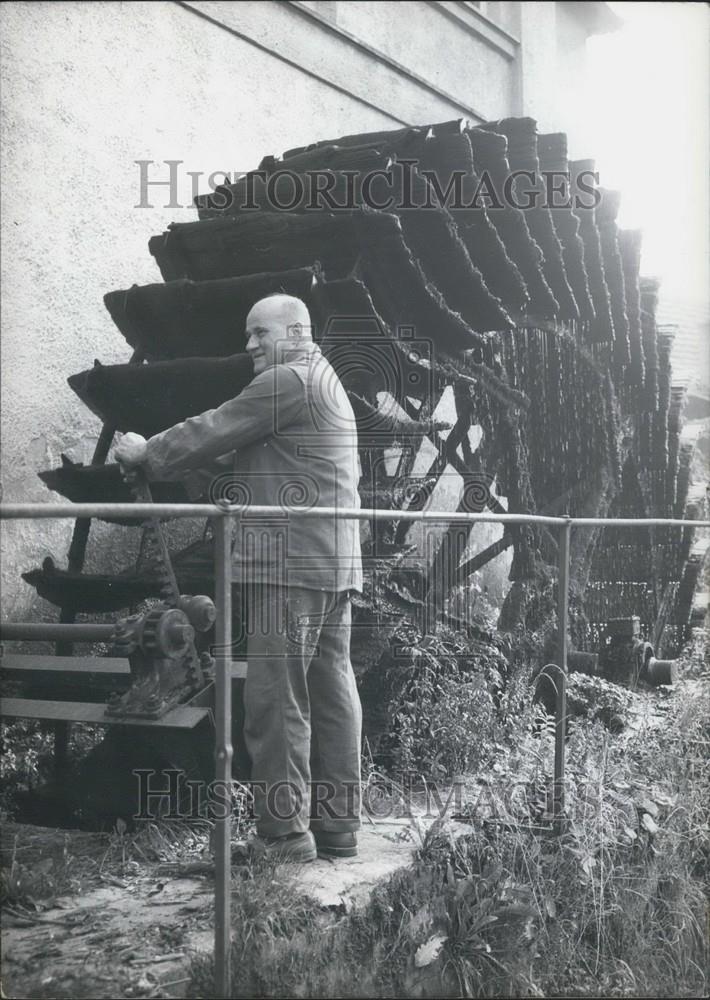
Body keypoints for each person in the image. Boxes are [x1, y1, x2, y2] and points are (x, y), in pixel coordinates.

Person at [114, 294, 363, 863]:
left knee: (277, 698)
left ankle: (283, 835)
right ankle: (338, 827)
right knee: (331, 693)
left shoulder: (289, 380)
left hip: (287, 563)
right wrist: (193, 464)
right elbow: (245, 457)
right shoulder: (323, 383)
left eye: (259, 334)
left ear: (296, 331)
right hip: (333, 562)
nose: (248, 345)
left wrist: (148, 452)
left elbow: (218, 426)